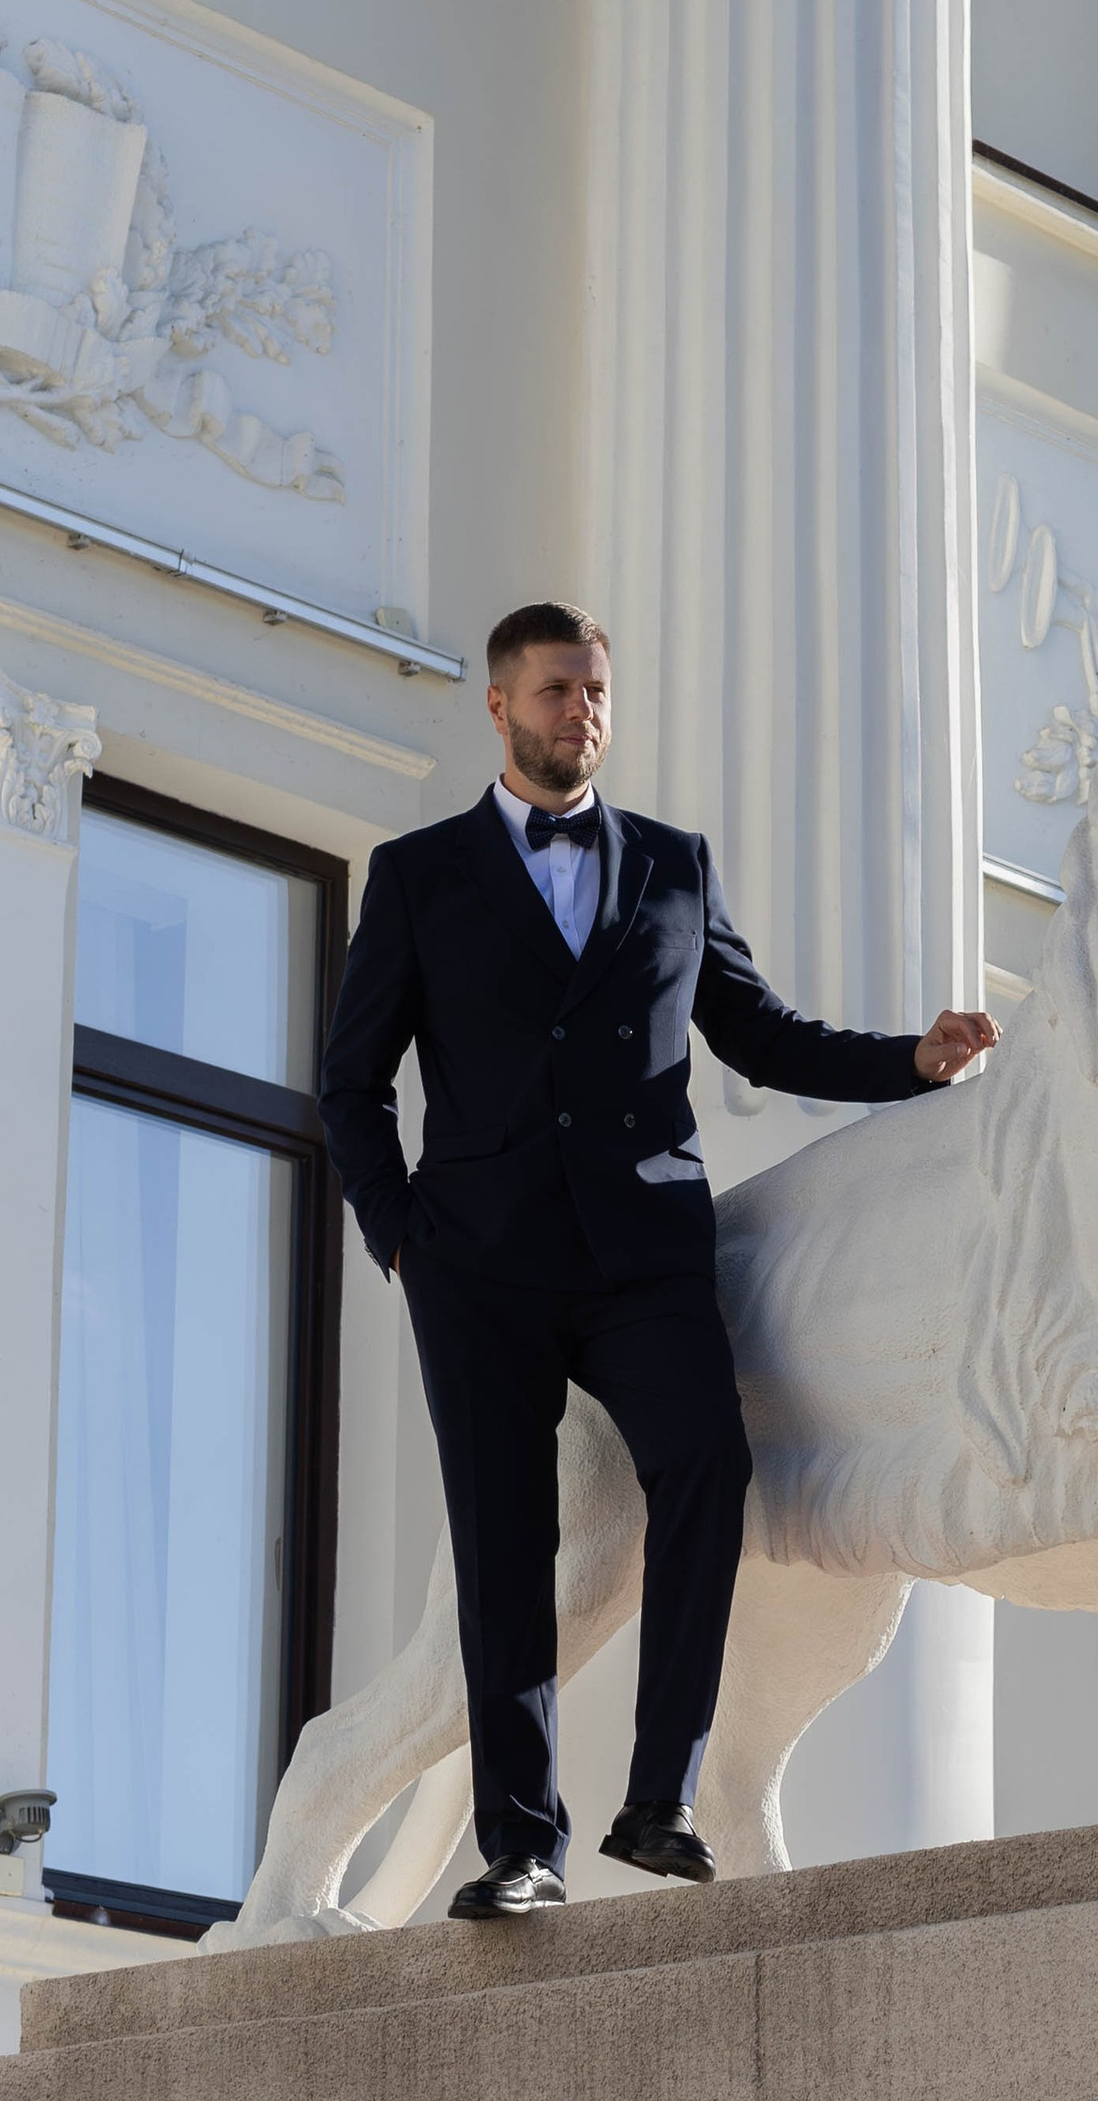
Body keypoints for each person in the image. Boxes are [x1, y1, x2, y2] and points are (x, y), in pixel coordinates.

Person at [320, 600, 996, 1920]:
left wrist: (906, 1064)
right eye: (558, 688)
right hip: (484, 1269)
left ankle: (663, 1799)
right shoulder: (419, 878)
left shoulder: (673, 867)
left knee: (711, 1469)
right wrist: (399, 1234)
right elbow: (352, 1079)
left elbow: (759, 1033)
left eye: (598, 690)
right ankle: (519, 1848)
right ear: (502, 706)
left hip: (646, 1257)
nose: (583, 708)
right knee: (511, 1551)